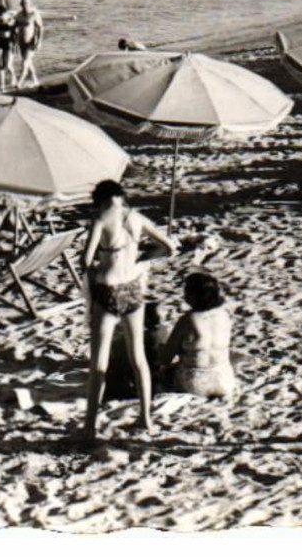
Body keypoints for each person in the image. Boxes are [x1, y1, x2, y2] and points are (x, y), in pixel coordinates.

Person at [82, 181, 177, 439]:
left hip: (108, 290)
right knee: (139, 359)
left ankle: (90, 426)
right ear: (121, 197)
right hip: (134, 289)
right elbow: (169, 248)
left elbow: (85, 260)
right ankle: (145, 418)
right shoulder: (137, 217)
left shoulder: (100, 219)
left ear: (100, 200)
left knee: (99, 362)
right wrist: (140, 259)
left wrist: (97, 274)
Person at [157, 271, 239, 399]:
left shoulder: (188, 320)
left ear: (193, 296)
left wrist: (159, 345)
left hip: (195, 384)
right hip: (224, 380)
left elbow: (165, 359)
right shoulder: (225, 314)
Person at [12, 0, 44, 89]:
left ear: (29, 4)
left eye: (26, 3)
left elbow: (40, 28)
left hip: (31, 41)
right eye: (23, 3)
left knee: (25, 61)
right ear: (21, 5)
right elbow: (14, 27)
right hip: (21, 42)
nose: (24, 5)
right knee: (28, 61)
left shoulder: (34, 14)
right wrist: (13, 39)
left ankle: (19, 83)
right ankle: (35, 80)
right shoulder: (19, 15)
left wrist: (39, 42)